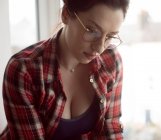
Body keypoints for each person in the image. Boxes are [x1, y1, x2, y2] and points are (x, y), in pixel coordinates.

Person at [0, 0, 129, 139]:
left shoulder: (110, 61)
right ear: (65, 14)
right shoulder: (24, 71)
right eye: (92, 30)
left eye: (110, 36)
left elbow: (111, 130)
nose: (99, 48)